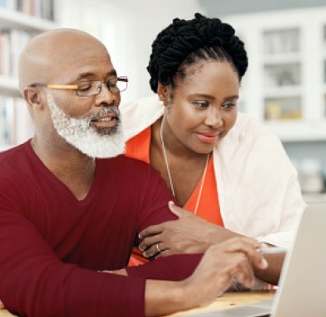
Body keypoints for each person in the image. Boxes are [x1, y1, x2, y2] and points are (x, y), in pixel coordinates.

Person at [0, 29, 268, 317]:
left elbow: (190, 262)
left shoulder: (137, 179)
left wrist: (79, 290)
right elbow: (42, 289)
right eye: (85, 87)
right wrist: (186, 293)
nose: (108, 98)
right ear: (36, 99)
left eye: (112, 83)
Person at [122, 13, 306, 286]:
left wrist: (214, 238)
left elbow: (301, 260)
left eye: (228, 104)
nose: (216, 120)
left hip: (225, 306)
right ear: (164, 92)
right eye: (201, 103)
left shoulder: (256, 145)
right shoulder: (117, 134)